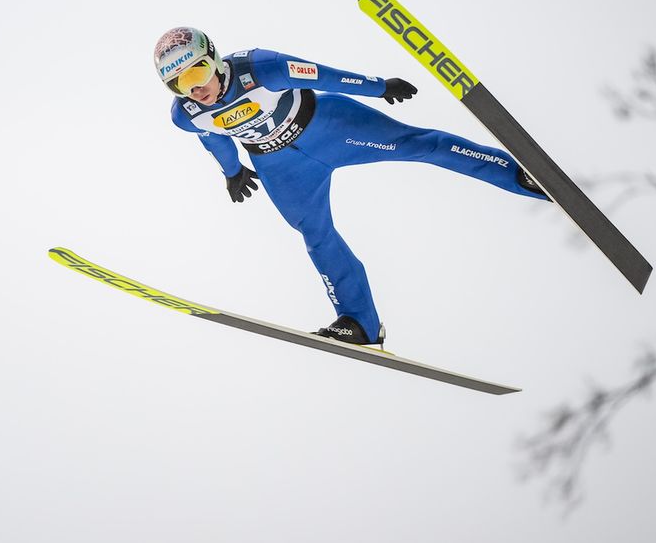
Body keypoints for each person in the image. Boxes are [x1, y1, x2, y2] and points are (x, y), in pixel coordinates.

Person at [154, 26, 548, 346]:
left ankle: (519, 175)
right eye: (178, 84)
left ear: (215, 58)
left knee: (420, 146)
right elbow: (213, 137)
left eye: (196, 73)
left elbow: (322, 74)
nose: (193, 88)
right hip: (281, 167)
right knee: (316, 235)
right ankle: (359, 322)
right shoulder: (187, 115)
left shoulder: (261, 68)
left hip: (331, 127)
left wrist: (379, 86)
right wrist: (232, 171)